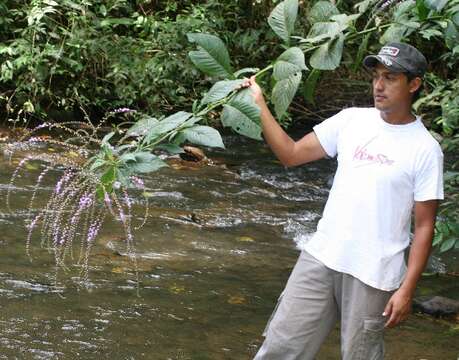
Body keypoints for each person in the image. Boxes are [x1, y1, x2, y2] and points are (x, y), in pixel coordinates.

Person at [244, 42, 444, 359]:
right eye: (376, 76)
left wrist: (407, 289)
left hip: (374, 273)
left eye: (390, 78)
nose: (379, 85)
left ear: (414, 84)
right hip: (321, 256)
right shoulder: (351, 120)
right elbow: (291, 154)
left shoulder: (425, 149)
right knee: (279, 350)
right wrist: (258, 105)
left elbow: (424, 226)